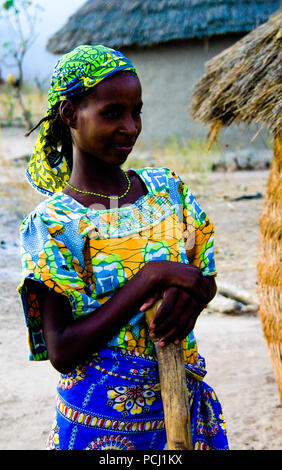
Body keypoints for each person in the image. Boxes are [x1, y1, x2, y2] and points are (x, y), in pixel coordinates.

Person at [18, 45, 228, 451]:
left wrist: (193, 295)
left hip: (182, 415)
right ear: (69, 115)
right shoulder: (52, 224)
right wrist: (151, 277)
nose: (130, 127)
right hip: (100, 429)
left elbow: (204, 278)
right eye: (112, 113)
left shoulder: (167, 191)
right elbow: (62, 349)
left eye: (137, 111)